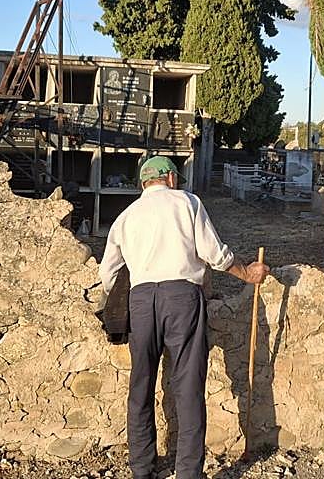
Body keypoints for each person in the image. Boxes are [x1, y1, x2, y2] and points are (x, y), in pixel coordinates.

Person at [99, 155, 269, 479]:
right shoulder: (187, 202)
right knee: (188, 386)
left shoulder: (126, 216)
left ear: (144, 183)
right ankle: (188, 472)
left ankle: (142, 470)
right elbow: (214, 254)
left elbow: (108, 274)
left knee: (141, 385)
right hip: (181, 298)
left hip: (141, 299)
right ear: (172, 179)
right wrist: (247, 273)